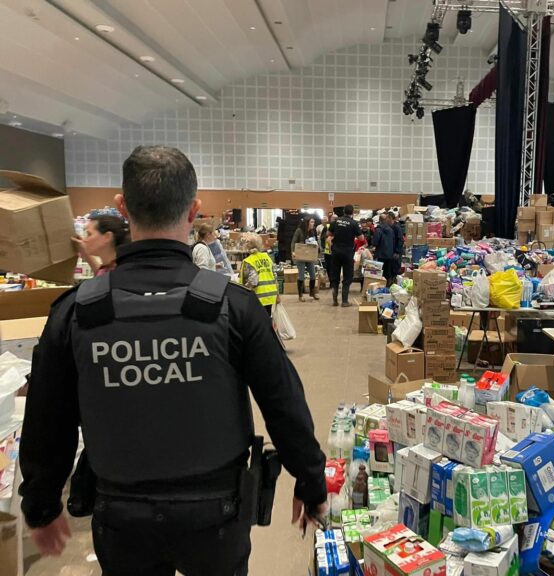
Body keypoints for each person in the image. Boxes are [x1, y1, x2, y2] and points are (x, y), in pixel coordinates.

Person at [19, 145, 327, 575]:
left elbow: (46, 417)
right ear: (194, 210)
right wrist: (311, 482)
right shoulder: (234, 307)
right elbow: (283, 403)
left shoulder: (76, 312)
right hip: (217, 516)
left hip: (121, 517)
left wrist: (40, 503)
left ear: (123, 208)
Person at [329, 204, 364, 307]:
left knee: (335, 275)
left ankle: (335, 298)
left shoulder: (336, 221)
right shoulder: (354, 223)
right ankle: (344, 301)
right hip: (347, 252)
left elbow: (328, 234)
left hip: (336, 251)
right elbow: (361, 238)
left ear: (344, 211)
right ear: (352, 212)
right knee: (347, 276)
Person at [239, 234, 279, 315]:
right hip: (270, 295)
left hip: (258, 297)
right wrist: (277, 294)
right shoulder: (267, 257)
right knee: (267, 317)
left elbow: (253, 281)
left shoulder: (249, 261)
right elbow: (274, 276)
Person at [291, 216, 320, 302]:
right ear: (307, 222)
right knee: (301, 275)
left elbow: (315, 241)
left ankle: (312, 292)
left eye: (314, 222)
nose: (313, 224)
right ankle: (300, 295)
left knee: (313, 275)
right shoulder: (299, 230)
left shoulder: (312, 231)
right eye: (311, 222)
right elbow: (293, 242)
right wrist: (293, 251)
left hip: (310, 256)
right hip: (301, 256)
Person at [371, 217, 394, 286]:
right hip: (389, 253)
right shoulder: (391, 229)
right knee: (387, 271)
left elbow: (375, 242)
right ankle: (387, 286)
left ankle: (380, 285)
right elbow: (393, 241)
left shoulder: (378, 230)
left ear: (380, 220)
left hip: (380, 254)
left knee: (379, 271)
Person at [387, 212, 404, 285]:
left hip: (396, 252)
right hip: (391, 252)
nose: (386, 220)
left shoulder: (397, 227)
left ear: (391, 218)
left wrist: (397, 251)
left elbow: (400, 240)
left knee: (395, 269)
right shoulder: (390, 227)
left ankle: (394, 284)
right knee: (390, 269)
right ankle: (390, 284)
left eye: (387, 218)